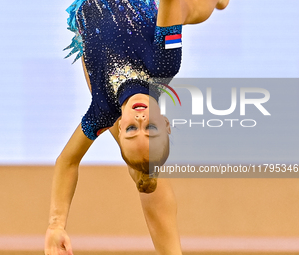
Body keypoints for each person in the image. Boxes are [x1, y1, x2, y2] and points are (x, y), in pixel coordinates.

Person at [45, 0, 229, 254]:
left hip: (88, 13)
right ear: (165, 123)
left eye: (132, 130)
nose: (141, 121)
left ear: (119, 128)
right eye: (151, 128)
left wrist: (56, 224)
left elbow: (67, 161)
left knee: (142, 166)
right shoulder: (164, 65)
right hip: (145, 12)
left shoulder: (102, 111)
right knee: (186, 8)